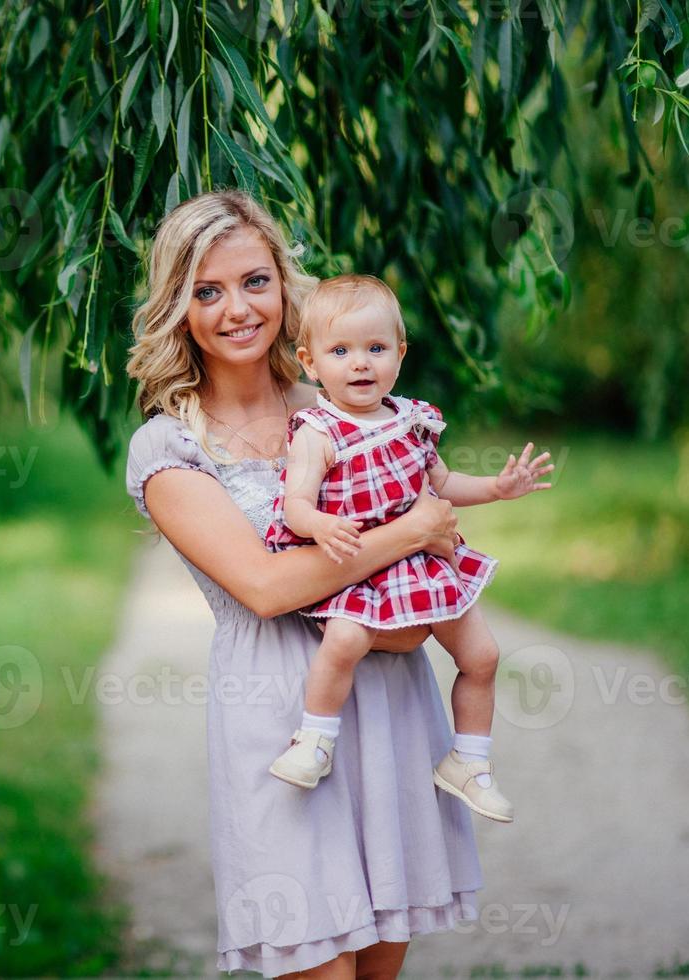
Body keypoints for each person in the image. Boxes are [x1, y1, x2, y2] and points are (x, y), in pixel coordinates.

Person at [125, 191, 482, 979]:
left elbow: (434, 553)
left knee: (381, 962)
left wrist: (428, 551)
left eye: (254, 281)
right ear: (177, 308)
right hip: (277, 721)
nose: (236, 309)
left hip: (386, 695)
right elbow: (264, 586)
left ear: (284, 286)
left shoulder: (346, 404)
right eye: (206, 291)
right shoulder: (168, 448)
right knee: (316, 961)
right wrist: (410, 532)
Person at [264, 274, 553, 824]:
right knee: (344, 639)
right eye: (340, 350)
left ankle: (470, 761)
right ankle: (315, 738)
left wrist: (496, 487)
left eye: (375, 348)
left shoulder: (412, 420)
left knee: (483, 656)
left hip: (421, 566)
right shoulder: (318, 431)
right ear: (309, 362)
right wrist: (321, 524)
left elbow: (442, 483)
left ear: (399, 354)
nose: (360, 364)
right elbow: (295, 504)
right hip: (360, 565)